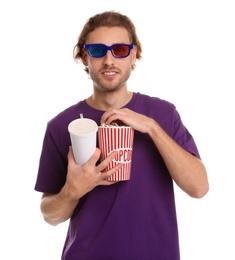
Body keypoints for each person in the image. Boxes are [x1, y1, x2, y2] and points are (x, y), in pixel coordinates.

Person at [34, 10, 209, 260]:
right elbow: (49, 215)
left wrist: (151, 128)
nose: (108, 60)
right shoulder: (62, 126)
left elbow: (199, 187)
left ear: (133, 54)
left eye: (119, 50)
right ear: (85, 57)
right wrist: (72, 190)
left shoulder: (163, 114)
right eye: (97, 51)